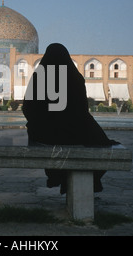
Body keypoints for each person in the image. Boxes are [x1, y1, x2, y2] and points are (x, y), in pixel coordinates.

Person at [22, 43, 120, 194]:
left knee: (53, 137)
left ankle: (59, 177)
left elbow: (28, 108)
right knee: (100, 142)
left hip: (44, 135)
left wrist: (42, 123)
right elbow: (82, 109)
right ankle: (86, 182)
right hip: (74, 133)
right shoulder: (74, 78)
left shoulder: (39, 77)